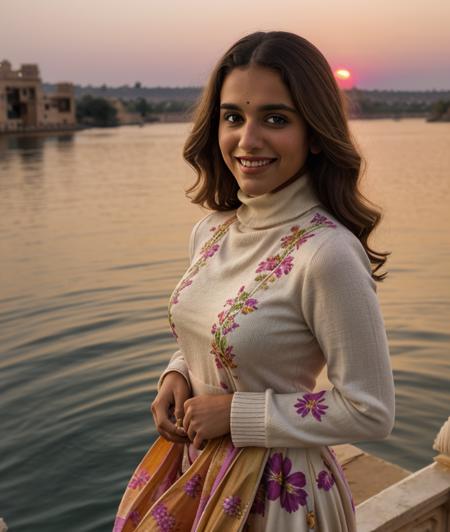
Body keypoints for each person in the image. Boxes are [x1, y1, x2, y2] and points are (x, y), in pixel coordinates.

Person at [114, 30, 395, 532]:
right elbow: (213, 333)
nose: (247, 140)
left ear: (313, 132)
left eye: (275, 118)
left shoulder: (326, 253)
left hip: (279, 498)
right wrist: (177, 373)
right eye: (233, 117)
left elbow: (369, 409)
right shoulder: (211, 230)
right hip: (195, 472)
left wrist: (236, 416)